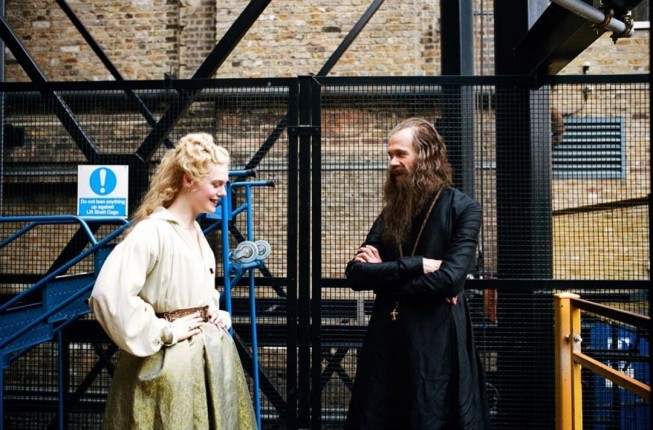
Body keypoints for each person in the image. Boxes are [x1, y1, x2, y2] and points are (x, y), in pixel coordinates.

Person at [89, 132, 257, 429]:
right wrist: (164, 330)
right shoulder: (152, 232)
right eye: (216, 184)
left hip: (206, 364)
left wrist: (212, 311)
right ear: (188, 180)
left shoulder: (195, 233)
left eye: (224, 184)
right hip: (168, 369)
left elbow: (190, 289)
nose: (223, 192)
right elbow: (108, 296)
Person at [345, 118, 490, 430]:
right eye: (390, 155)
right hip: (387, 337)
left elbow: (450, 279)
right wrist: (417, 264)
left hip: (436, 339)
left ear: (428, 155)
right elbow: (355, 274)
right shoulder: (391, 212)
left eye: (401, 154)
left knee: (430, 415)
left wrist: (384, 279)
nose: (393, 163)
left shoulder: (463, 209)